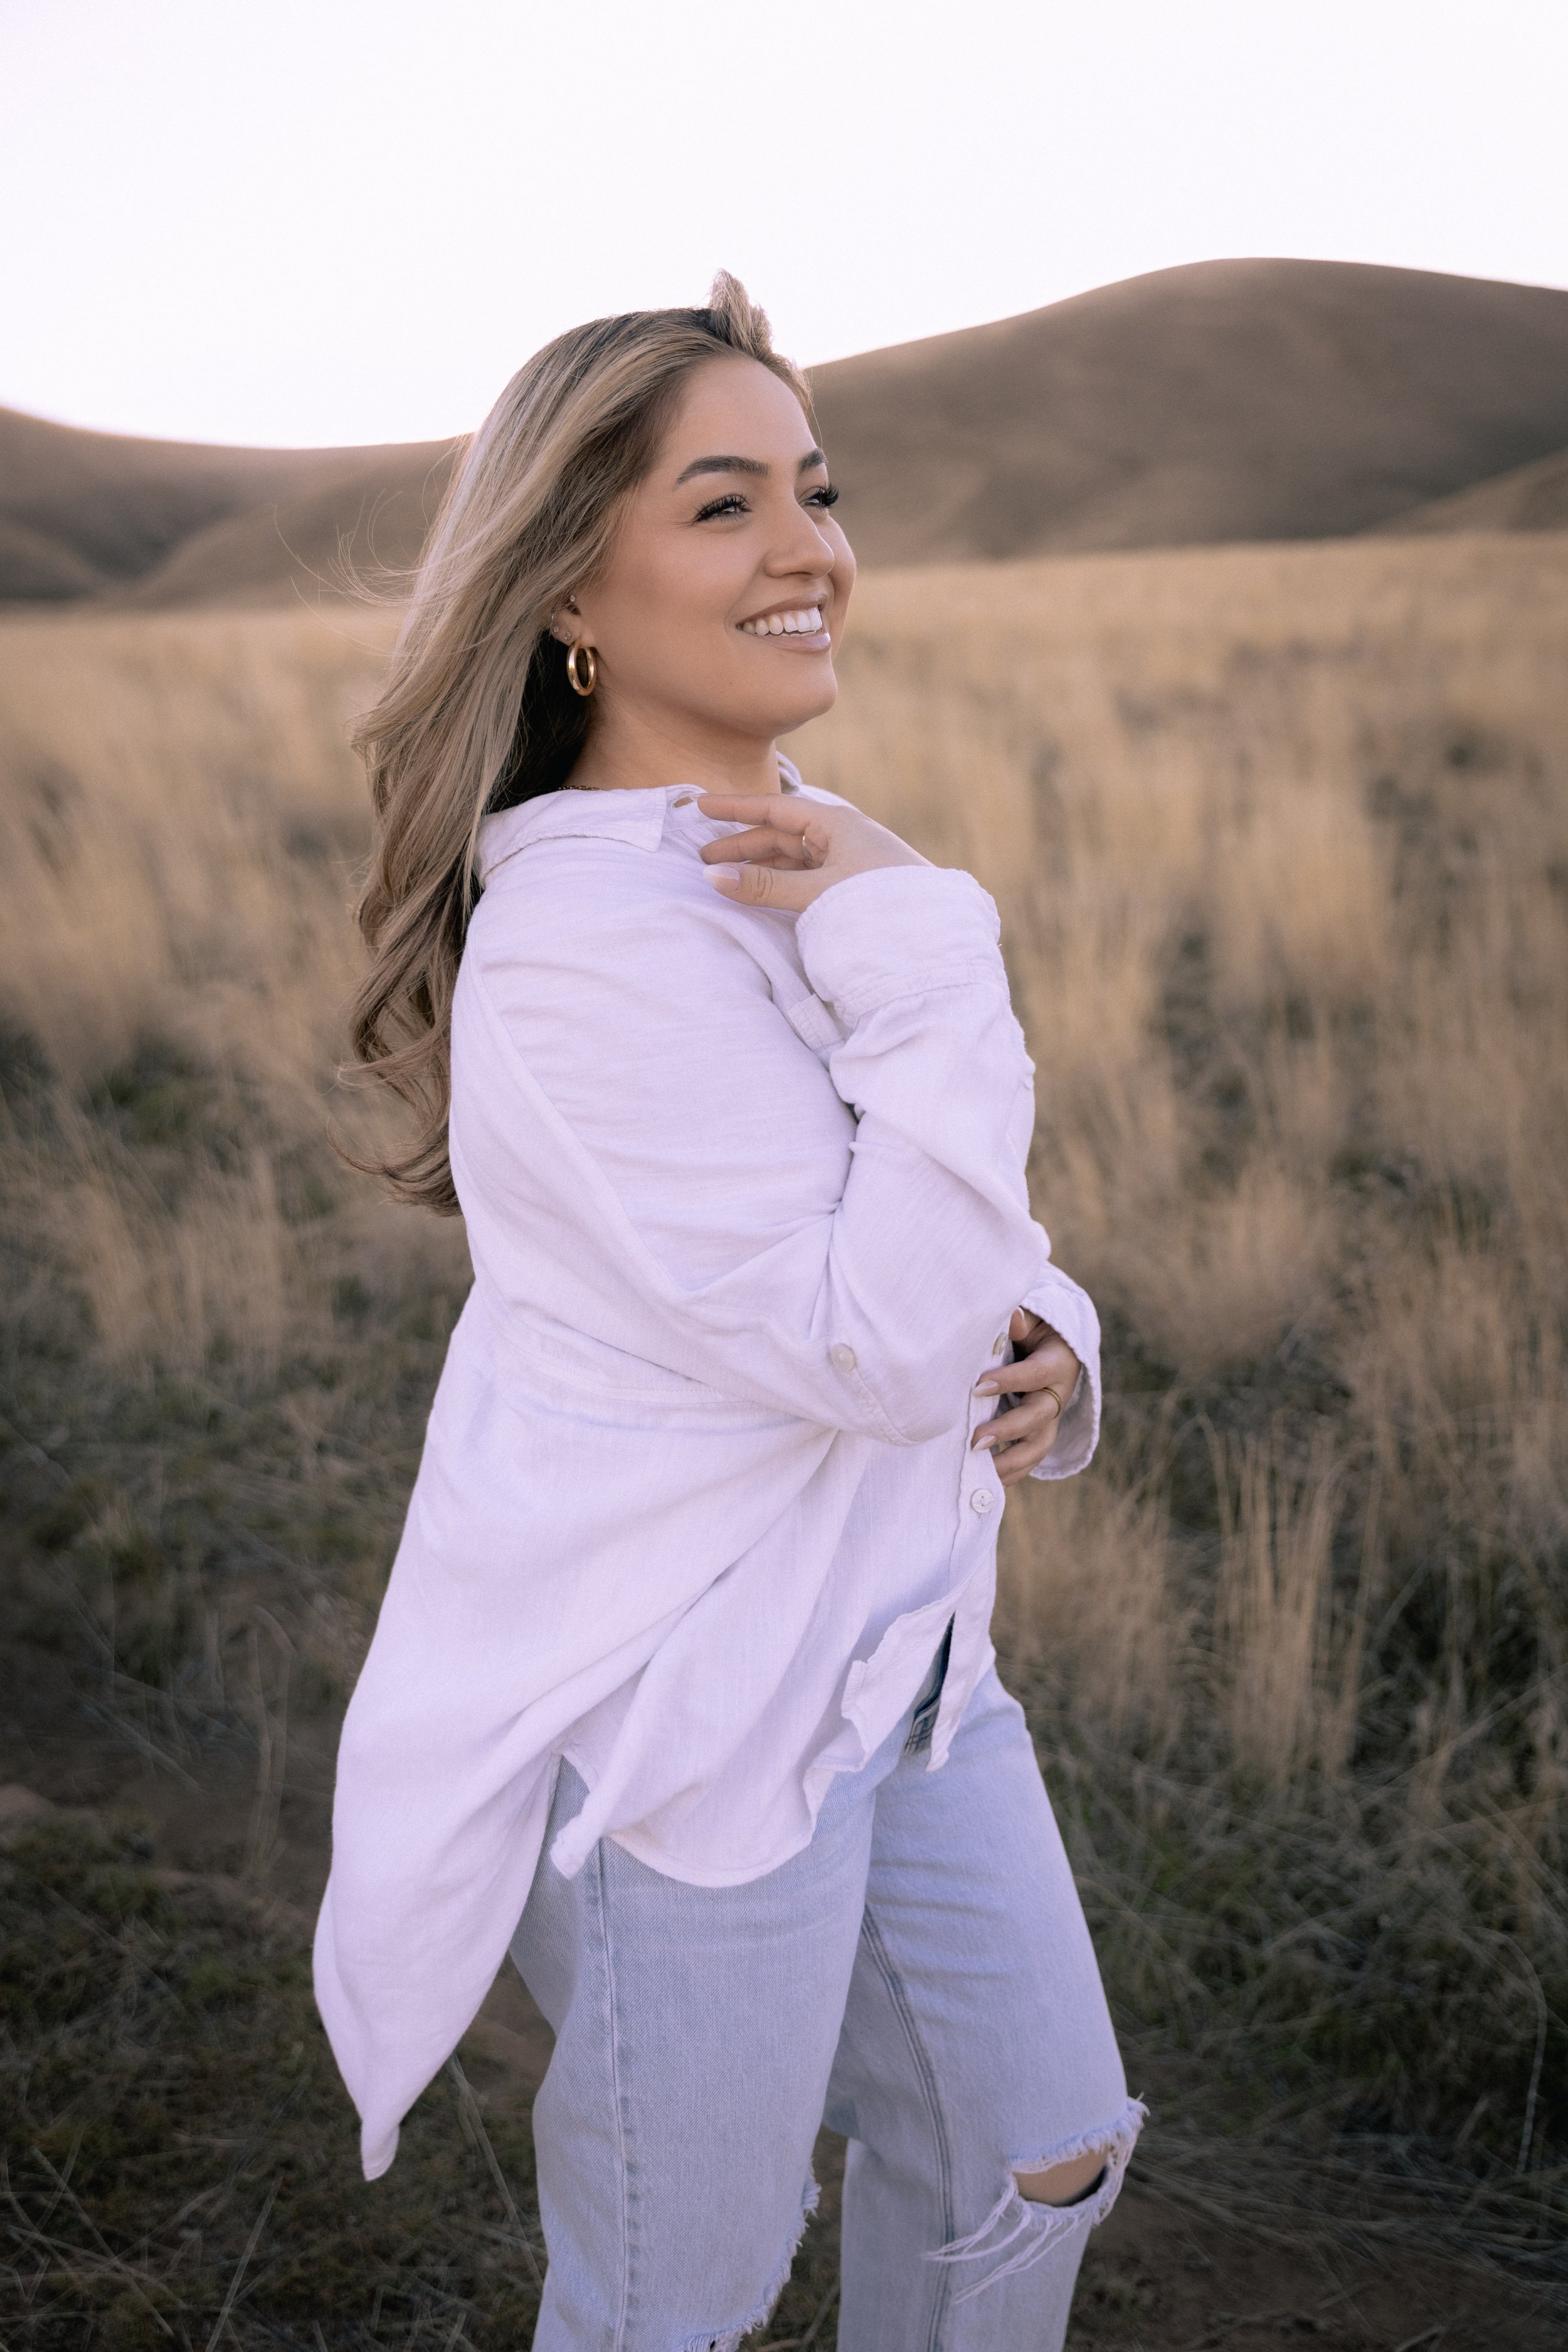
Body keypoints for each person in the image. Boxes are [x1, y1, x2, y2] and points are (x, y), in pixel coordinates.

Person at [315, 273, 1143, 2352]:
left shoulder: (773, 858)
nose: (809, 550)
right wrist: (929, 937)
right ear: (569, 588)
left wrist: (1048, 1336)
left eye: (816, 488)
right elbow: (866, 1335)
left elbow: (921, 1251)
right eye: (723, 504)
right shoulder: (595, 944)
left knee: (1042, 2148)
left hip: (909, 1669)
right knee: (679, 2301)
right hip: (694, 1735)